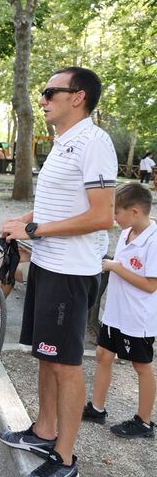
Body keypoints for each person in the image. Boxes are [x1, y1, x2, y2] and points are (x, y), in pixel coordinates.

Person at [0, 67, 116, 477]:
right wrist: (25, 220)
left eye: (50, 92)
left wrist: (34, 232)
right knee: (47, 355)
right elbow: (58, 206)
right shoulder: (63, 142)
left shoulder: (94, 143)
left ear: (78, 97)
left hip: (71, 273)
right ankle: (43, 432)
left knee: (66, 365)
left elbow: (102, 216)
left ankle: (66, 461)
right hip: (49, 265)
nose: (42, 99)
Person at [83, 183, 156, 439]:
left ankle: (144, 422)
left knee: (141, 365)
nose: (114, 217)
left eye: (118, 212)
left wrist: (114, 267)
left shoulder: (153, 240)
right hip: (115, 312)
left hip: (138, 318)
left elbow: (150, 285)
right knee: (103, 353)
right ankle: (97, 408)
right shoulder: (127, 232)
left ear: (135, 211)